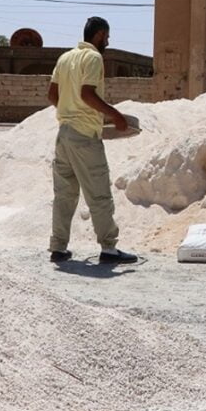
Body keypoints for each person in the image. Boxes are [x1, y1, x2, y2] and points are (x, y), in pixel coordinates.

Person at [46, 16, 138, 264]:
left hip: (63, 134)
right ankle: (109, 248)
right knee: (98, 195)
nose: (108, 41)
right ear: (98, 35)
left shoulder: (65, 58)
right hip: (85, 137)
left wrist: (70, 109)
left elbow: (52, 94)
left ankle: (58, 247)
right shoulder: (94, 58)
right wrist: (116, 116)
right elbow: (88, 93)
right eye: (106, 36)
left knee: (64, 195)